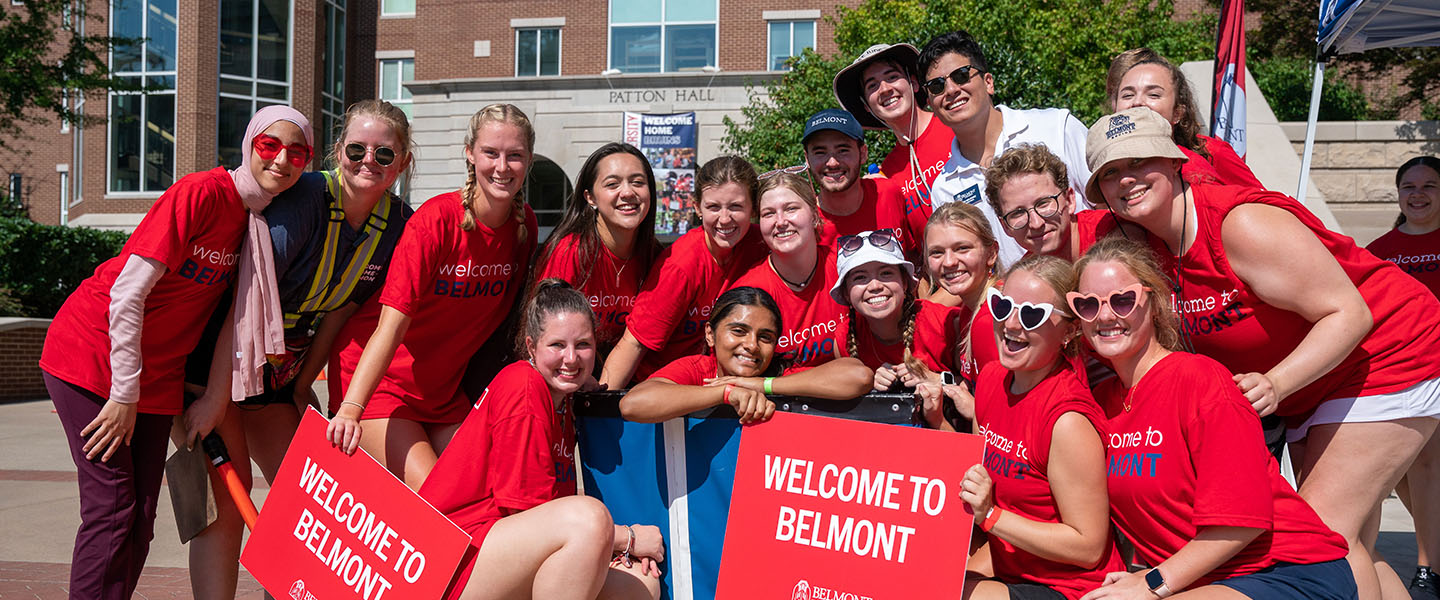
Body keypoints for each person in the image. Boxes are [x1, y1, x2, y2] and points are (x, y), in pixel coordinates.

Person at [1086, 106, 1440, 600]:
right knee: (1345, 534)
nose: (1127, 180)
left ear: (1173, 163)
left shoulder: (1240, 224)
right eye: (1110, 173)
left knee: (1325, 537)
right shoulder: (1141, 241)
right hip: (1315, 380)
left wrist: (1276, 383)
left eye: (1139, 162)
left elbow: (1349, 314)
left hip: (1388, 353)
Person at [39, 105, 312, 599]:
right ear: (249, 143)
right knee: (113, 508)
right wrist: (124, 394)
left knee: (141, 517)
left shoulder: (257, 224)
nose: (282, 160)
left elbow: (232, 320)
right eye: (270, 146)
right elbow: (128, 293)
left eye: (297, 151)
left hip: (158, 376)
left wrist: (207, 396)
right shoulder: (203, 193)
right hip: (94, 356)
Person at [179, 99, 415, 599]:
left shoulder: (397, 225)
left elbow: (341, 311)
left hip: (279, 373)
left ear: (405, 162)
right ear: (337, 151)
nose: (368, 161)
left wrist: (303, 386)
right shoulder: (305, 198)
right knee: (228, 500)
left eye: (384, 154)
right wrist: (215, 396)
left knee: (311, 497)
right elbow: (242, 303)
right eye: (356, 148)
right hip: (219, 359)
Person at [1074, 237, 1356, 600]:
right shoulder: (1102, 403)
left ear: (1156, 305)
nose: (1106, 315)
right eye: (1087, 304)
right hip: (1203, 580)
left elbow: (1242, 522)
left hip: (1285, 571)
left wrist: (1150, 583)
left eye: (1123, 300)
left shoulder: (1199, 380)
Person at [327, 103, 538, 491]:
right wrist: (350, 410)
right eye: (491, 153)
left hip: (441, 396)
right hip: (380, 388)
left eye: (515, 156)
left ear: (528, 160)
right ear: (470, 153)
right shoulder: (435, 221)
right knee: (438, 494)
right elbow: (389, 328)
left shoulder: (524, 227)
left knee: (488, 490)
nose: (502, 166)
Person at [419, 279, 664, 600]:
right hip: (453, 559)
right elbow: (528, 512)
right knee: (588, 519)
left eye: (584, 345)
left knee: (640, 584)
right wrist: (627, 538)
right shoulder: (524, 386)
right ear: (532, 346)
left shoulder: (562, 401)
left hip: (496, 552)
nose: (571, 358)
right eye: (557, 345)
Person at [959, 254, 1123, 599]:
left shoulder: (1067, 420)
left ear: (1069, 331)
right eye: (1003, 306)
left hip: (1068, 587)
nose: (1012, 324)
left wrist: (990, 516)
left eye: (1033, 315)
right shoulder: (991, 378)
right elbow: (975, 475)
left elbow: (1088, 546)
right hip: (1009, 568)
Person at [918, 30, 1093, 270]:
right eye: (937, 86)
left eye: (961, 75)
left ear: (988, 82)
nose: (951, 90)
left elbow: (1107, 208)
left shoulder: (1057, 126)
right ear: (931, 104)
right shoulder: (944, 189)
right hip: (1026, 304)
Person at [600, 156, 768, 388]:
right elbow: (634, 343)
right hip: (664, 386)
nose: (725, 218)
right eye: (713, 207)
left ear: (754, 208)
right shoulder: (681, 264)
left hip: (723, 381)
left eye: (736, 206)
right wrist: (601, 409)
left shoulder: (762, 244)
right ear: (697, 207)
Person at [620, 286, 873, 424]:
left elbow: (858, 376)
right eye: (738, 331)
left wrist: (763, 385)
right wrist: (727, 393)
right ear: (710, 334)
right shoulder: (698, 369)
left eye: (765, 337)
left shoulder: (777, 373)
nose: (752, 345)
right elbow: (632, 405)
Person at [1365, 156, 1440, 600]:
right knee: (1405, 475)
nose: (1418, 194)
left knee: (1429, 465)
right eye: (1409, 185)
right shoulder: (1379, 251)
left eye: (1429, 185)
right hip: (1404, 372)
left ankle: (1428, 568)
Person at [533, 142, 662, 361]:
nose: (628, 192)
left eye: (638, 182)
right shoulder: (570, 252)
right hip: (571, 370)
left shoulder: (656, 255)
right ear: (590, 197)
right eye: (612, 184)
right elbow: (545, 335)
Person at [829, 228, 968, 430]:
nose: (875, 285)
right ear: (846, 293)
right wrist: (868, 387)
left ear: (905, 282)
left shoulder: (946, 323)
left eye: (886, 273)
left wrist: (937, 379)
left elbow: (980, 393)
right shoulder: (844, 338)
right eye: (860, 277)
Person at [832, 42, 953, 247]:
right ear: (866, 106)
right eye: (872, 85)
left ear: (913, 83)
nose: (885, 89)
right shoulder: (887, 175)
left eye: (892, 77)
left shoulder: (955, 127)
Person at [730, 171, 846, 369]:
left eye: (791, 209)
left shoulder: (845, 267)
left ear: (815, 215)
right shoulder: (750, 291)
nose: (781, 221)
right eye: (769, 213)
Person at [1105, 48, 1262, 188]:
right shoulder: (1105, 160)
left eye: (1153, 93)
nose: (1137, 102)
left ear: (1177, 112)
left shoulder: (1210, 153)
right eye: (1126, 94)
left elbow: (1264, 203)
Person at [986, 144, 1132, 262]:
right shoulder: (1025, 281)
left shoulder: (1117, 232)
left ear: (1069, 200)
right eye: (1018, 213)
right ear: (1005, 226)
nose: (1036, 223)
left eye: (1043, 204)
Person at [799, 108, 908, 253]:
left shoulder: (888, 193)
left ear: (863, 153)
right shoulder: (805, 224)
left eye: (843, 150)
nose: (832, 163)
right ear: (807, 159)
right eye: (820, 152)